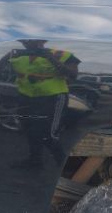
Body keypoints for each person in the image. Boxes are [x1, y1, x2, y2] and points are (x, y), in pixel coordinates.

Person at [8, 39, 81, 168]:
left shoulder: (62, 55)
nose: (27, 43)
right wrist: (8, 55)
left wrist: (50, 58)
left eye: (32, 40)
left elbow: (73, 75)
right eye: (25, 41)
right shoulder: (19, 55)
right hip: (27, 97)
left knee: (47, 133)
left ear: (42, 40)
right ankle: (35, 161)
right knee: (30, 130)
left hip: (52, 97)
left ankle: (66, 166)